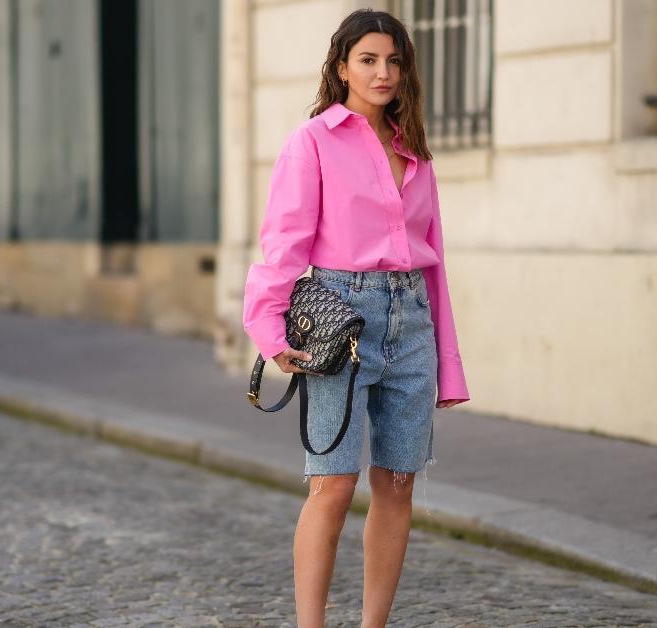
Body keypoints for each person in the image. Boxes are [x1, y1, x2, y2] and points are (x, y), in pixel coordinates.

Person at [241, 8, 470, 627]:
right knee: (333, 485)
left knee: (397, 484)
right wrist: (268, 328)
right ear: (341, 68)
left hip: (412, 323)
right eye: (368, 60)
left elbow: (435, 263)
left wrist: (447, 365)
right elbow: (283, 243)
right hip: (342, 319)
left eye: (394, 61)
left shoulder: (414, 149)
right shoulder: (313, 141)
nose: (383, 72)